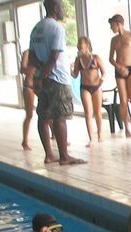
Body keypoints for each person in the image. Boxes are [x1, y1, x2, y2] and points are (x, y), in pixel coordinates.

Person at [28, 0, 85, 165]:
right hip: (57, 79)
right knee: (60, 117)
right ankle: (64, 156)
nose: (62, 10)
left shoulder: (36, 28)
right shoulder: (56, 28)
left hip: (43, 78)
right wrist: (43, 75)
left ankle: (49, 154)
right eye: (60, 7)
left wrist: (39, 75)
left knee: (43, 117)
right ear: (54, 8)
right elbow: (54, 57)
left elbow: (31, 57)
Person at [108, 14, 131, 138]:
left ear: (118, 24)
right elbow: (110, 58)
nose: (111, 28)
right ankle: (127, 127)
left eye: (112, 25)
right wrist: (119, 67)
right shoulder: (114, 40)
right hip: (120, 70)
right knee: (123, 100)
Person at [71, 36, 105, 146]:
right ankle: (91, 138)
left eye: (81, 43)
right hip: (84, 87)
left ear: (87, 45)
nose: (79, 46)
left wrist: (102, 79)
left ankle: (100, 134)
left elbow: (104, 72)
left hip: (96, 87)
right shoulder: (78, 60)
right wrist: (69, 69)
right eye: (78, 44)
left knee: (97, 111)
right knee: (87, 113)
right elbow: (75, 75)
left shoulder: (95, 58)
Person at [20, 49, 36, 150]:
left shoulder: (42, 51)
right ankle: (25, 141)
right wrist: (32, 69)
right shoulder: (28, 52)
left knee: (48, 113)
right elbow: (22, 69)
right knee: (29, 114)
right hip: (29, 85)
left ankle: (54, 135)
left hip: (40, 84)